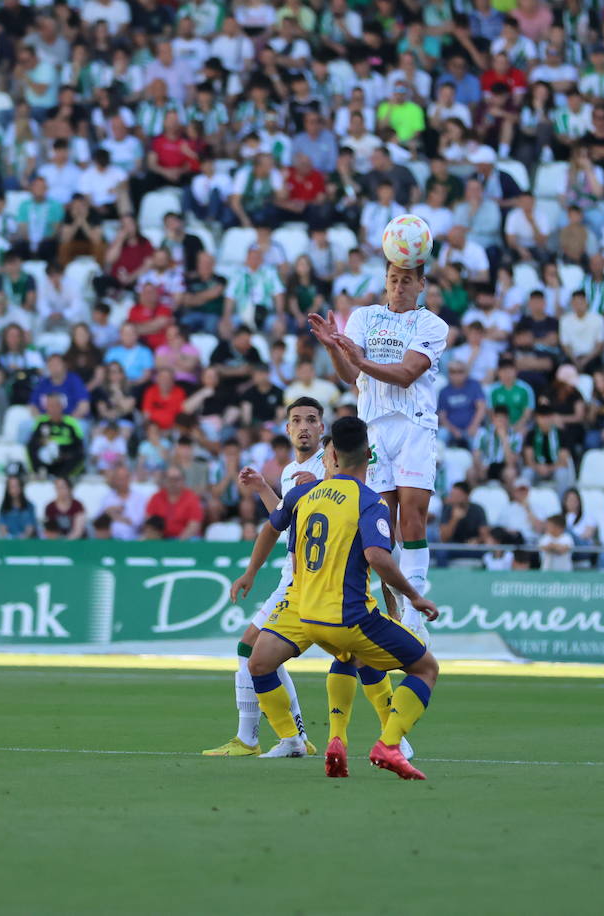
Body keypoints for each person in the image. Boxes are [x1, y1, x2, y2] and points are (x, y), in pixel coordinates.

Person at [231, 416, 440, 779]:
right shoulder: (371, 502)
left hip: (306, 610)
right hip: (346, 611)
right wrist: (414, 597)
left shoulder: (302, 494)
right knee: (423, 667)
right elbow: (378, 557)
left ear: (334, 457)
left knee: (263, 661)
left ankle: (332, 738)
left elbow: (272, 525)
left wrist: (251, 571)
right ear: (370, 456)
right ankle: (390, 742)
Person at [308, 244, 449, 647]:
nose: (399, 286)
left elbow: (406, 374)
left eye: (407, 280)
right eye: (393, 279)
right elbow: (349, 374)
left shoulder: (431, 325)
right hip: (373, 430)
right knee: (380, 527)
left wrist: (359, 359)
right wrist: (335, 349)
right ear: (385, 282)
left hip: (414, 426)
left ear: (421, 284)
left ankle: (414, 616)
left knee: (412, 519)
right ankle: (389, 611)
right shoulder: (365, 317)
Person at [202, 398, 326, 758]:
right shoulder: (289, 472)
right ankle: (295, 736)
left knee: (250, 649)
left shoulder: (328, 466)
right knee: (261, 653)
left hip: (308, 578)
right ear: (287, 429)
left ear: (322, 427)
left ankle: (252, 738)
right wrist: (261, 488)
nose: (304, 426)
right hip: (291, 574)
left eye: (311, 420)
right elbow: (283, 518)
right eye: (297, 421)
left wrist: (319, 484)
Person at [27, 392, 86, 478]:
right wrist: (42, 442)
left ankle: (65, 477)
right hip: (46, 459)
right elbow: (32, 443)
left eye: (55, 405)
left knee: (78, 455)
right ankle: (40, 473)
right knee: (31, 448)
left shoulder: (71, 423)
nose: (52, 409)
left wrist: (63, 454)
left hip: (65, 460)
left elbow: (78, 446)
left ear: (62, 406)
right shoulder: (41, 422)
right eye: (49, 406)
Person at [42, 475, 87, 539]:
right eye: (58, 488)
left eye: (63, 487)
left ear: (69, 488)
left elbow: (78, 530)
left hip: (74, 542)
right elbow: (50, 530)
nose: (60, 490)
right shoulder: (50, 507)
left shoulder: (77, 505)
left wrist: (67, 542)